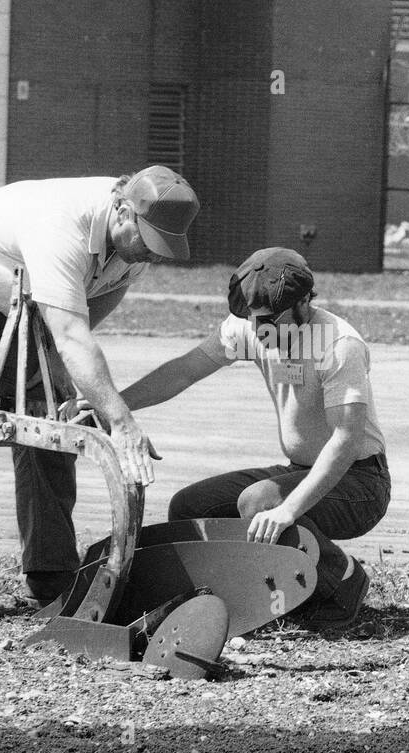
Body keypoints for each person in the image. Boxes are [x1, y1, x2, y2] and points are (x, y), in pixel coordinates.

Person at [0, 166, 200, 618]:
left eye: (160, 247)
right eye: (147, 241)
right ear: (121, 210)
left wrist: (68, 383)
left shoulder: (133, 245)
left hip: (23, 304)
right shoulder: (60, 227)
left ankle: (51, 578)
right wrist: (120, 421)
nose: (149, 256)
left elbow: (93, 306)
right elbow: (73, 335)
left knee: (54, 426)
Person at [118, 247, 390, 629]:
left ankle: (342, 580)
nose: (259, 332)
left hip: (361, 483)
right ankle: (223, 600)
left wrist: (288, 509)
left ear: (302, 304)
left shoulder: (338, 344)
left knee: (260, 501)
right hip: (301, 469)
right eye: (251, 319)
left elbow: (345, 440)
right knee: (190, 507)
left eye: (269, 321)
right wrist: (113, 405)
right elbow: (184, 371)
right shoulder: (252, 327)